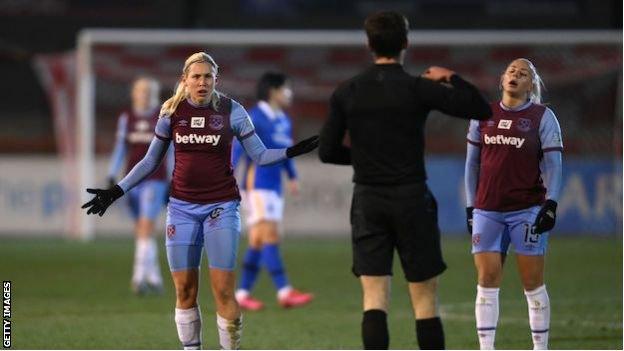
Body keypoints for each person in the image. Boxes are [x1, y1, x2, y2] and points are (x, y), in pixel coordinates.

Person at [81, 52, 318, 350]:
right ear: (185, 80)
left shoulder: (233, 111)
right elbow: (149, 161)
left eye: (208, 76)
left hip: (221, 208)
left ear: (215, 80)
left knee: (223, 292)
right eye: (196, 76)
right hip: (180, 209)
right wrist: (116, 190)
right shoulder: (171, 112)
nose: (202, 82)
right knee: (184, 291)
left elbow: (260, 154)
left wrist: (291, 152)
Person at [318, 11, 492, 350]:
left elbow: (327, 151)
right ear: (406, 44)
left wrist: (366, 157)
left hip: (368, 201)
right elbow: (482, 109)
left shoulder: (347, 91)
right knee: (425, 300)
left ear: (369, 44)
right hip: (412, 199)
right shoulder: (418, 88)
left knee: (374, 299)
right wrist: (451, 77)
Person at [465, 58, 563, 350]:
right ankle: (487, 348)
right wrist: (471, 207)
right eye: (511, 71)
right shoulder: (482, 115)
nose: (516, 76)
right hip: (487, 210)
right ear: (501, 79)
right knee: (487, 278)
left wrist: (551, 204)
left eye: (523, 74)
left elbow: (555, 166)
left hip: (527, 209)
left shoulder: (543, 117)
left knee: (532, 282)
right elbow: (472, 165)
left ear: (531, 85)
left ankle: (540, 347)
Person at [232, 72, 313, 311]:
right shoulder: (254, 117)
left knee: (257, 241)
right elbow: (237, 147)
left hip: (274, 185)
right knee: (270, 236)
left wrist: (293, 176)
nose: (290, 93)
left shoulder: (284, 120)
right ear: (273, 91)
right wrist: (229, 173)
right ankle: (284, 290)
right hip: (257, 183)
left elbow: (285, 150)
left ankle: (242, 294)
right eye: (286, 89)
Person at [107, 76, 171, 295]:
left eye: (147, 90)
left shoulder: (162, 116)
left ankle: (138, 277)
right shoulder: (127, 118)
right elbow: (120, 148)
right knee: (142, 231)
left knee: (145, 227)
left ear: (153, 93)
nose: (143, 94)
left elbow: (170, 151)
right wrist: (111, 174)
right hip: (132, 181)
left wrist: (172, 178)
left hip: (156, 179)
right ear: (133, 93)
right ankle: (154, 277)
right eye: (139, 90)